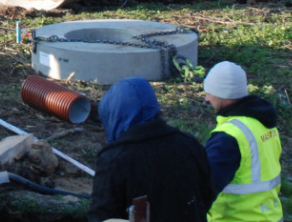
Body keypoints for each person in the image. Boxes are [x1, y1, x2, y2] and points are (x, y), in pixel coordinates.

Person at [88, 77, 214, 222]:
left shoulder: (115, 159)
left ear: (114, 114)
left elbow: (101, 215)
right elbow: (207, 196)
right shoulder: (190, 145)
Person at [202, 62, 282, 222]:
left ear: (223, 94)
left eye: (210, 92)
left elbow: (204, 187)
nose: (207, 98)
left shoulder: (228, 137)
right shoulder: (264, 123)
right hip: (269, 215)